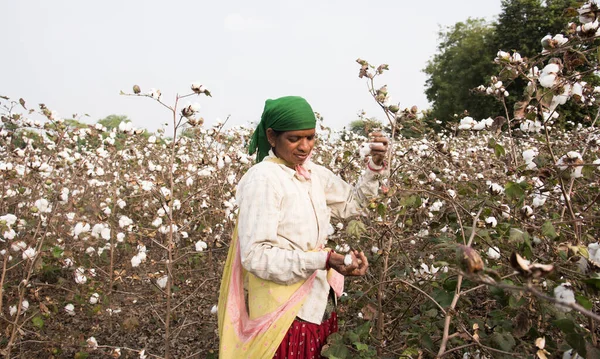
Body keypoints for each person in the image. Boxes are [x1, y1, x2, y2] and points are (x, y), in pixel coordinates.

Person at [218, 96, 389, 359]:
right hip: (283, 316)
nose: (304, 146)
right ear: (272, 137)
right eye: (295, 138)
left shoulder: (313, 174)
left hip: (317, 304)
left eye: (310, 138)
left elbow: (352, 203)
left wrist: (375, 166)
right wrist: (325, 259)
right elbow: (256, 256)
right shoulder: (264, 180)